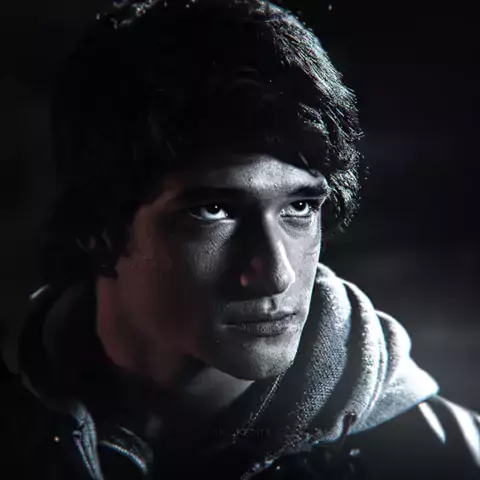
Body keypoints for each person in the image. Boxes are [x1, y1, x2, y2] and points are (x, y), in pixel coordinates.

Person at [1, 0, 479, 478]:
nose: (275, 274)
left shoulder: (445, 460)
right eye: (214, 211)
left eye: (300, 207)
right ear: (98, 228)